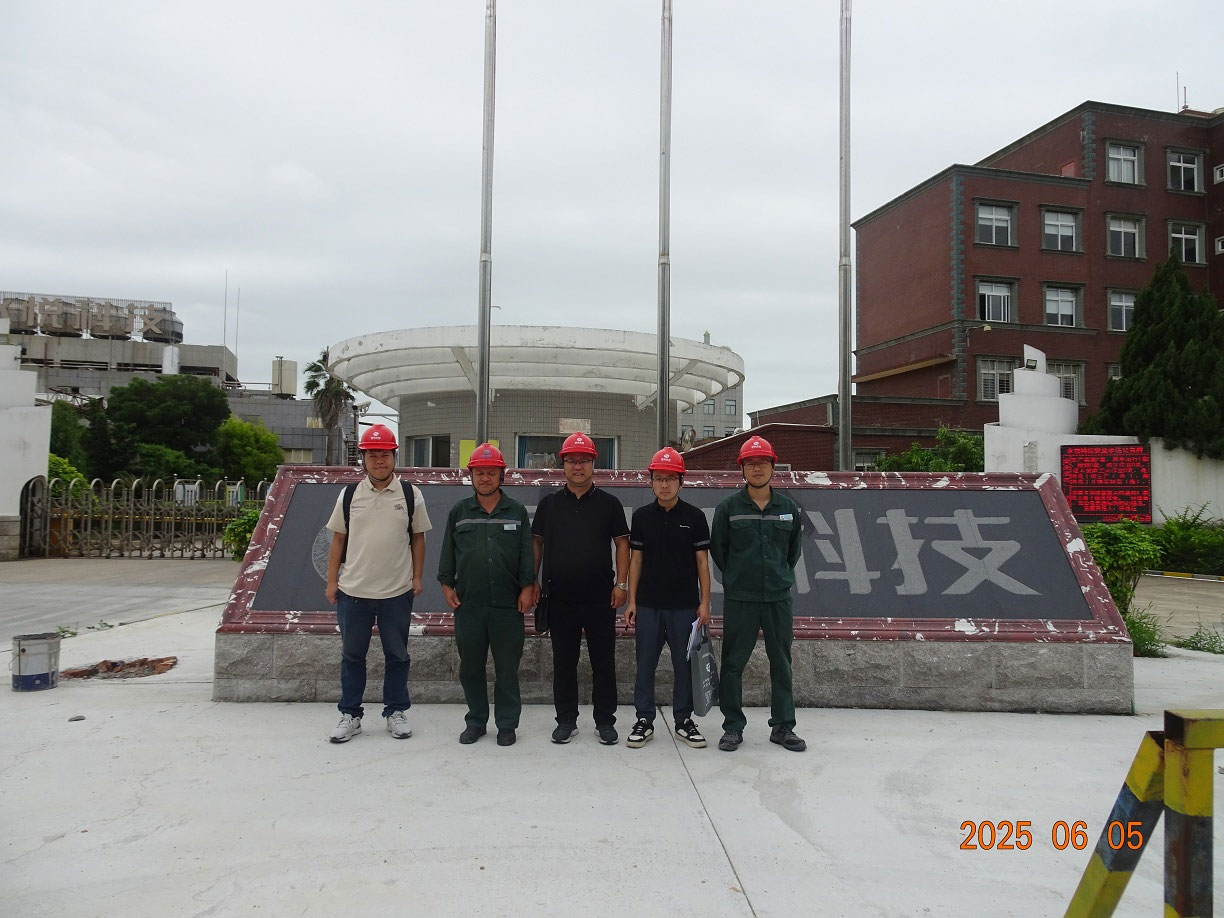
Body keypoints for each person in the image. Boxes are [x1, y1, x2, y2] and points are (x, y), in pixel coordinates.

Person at [324, 423, 432, 744]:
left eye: (384, 454)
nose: (379, 460)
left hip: (396, 592)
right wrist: (332, 581)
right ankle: (350, 715)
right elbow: (338, 540)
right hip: (353, 592)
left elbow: (418, 539)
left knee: (397, 655)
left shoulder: (410, 494)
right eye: (372, 455)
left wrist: (416, 577)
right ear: (364, 459)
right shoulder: (349, 495)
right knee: (352, 657)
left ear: (394, 456)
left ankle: (395, 711)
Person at [532, 432, 630, 745]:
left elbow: (622, 544)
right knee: (564, 663)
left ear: (593, 464)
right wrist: (532, 581)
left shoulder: (609, 504)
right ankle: (566, 721)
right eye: (572, 461)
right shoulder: (549, 505)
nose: (578, 467)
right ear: (562, 464)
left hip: (601, 598)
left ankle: (605, 721)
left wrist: (622, 584)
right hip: (560, 598)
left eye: (584, 460)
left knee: (604, 662)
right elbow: (536, 544)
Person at [709, 435, 806, 753]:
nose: (757, 468)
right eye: (750, 463)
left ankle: (783, 726)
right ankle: (732, 727)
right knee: (733, 663)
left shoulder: (788, 509)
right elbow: (720, 551)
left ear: (773, 467)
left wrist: (776, 576)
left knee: (782, 662)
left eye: (763, 462)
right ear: (742, 469)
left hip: (778, 597)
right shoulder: (729, 508)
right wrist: (739, 578)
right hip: (741, 599)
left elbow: (792, 552)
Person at [437, 443, 535, 747]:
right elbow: (448, 552)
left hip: (508, 605)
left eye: (491, 472)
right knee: (470, 667)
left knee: (507, 668)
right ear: (471, 475)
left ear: (501, 475)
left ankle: (507, 724)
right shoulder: (460, 512)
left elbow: (526, 554)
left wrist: (528, 587)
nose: (485, 478)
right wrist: (446, 585)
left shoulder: (516, 511)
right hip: (469, 604)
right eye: (479, 472)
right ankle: (476, 721)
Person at [625, 447, 712, 749]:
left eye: (670, 479)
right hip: (648, 605)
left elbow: (702, 563)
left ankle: (683, 721)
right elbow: (636, 561)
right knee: (645, 665)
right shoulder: (641, 517)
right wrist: (632, 601)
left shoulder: (695, 517)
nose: (664, 485)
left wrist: (705, 603)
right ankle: (644, 720)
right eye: (659, 479)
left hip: (684, 606)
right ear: (651, 481)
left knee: (683, 666)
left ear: (681, 482)